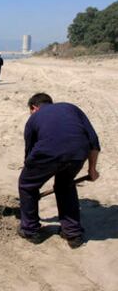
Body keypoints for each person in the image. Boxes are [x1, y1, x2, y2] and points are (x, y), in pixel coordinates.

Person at [17, 93, 100, 248]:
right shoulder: (71, 108)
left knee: (26, 185)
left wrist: (31, 181)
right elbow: (93, 140)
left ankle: (30, 230)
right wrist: (92, 169)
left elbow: (29, 155)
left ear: (34, 108)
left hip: (48, 152)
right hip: (78, 153)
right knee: (65, 185)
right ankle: (73, 234)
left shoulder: (33, 118)